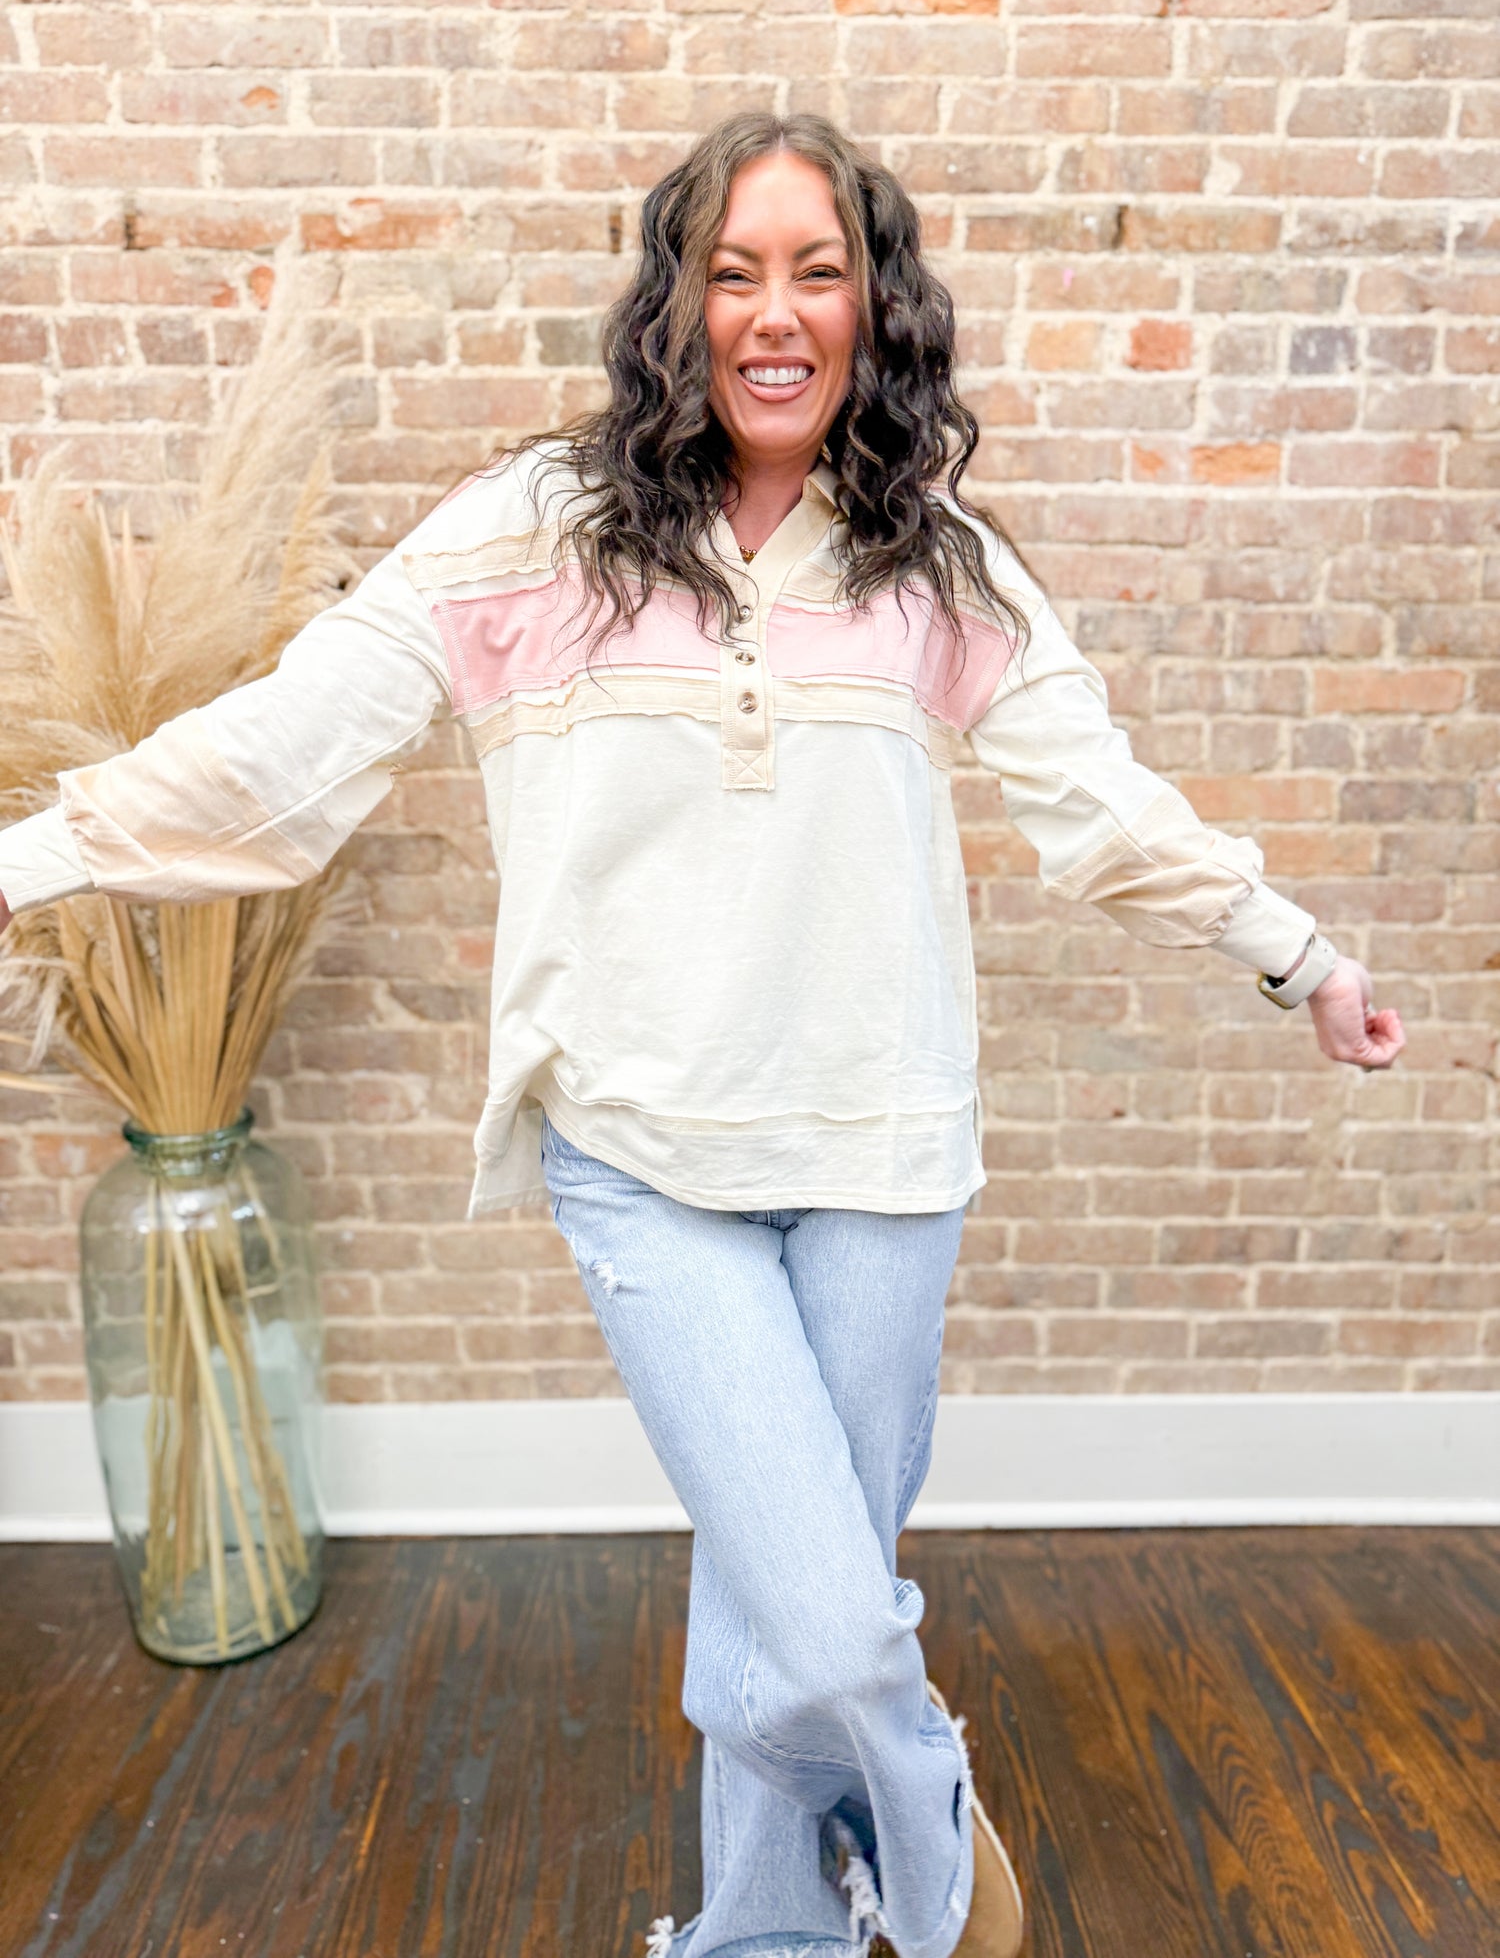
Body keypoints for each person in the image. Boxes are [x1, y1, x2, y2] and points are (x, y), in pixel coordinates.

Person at [0, 113, 1404, 1958]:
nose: (774, 312)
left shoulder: (939, 570)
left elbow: (1106, 804)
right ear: (676, 302)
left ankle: (762, 1932)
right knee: (825, 1632)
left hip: (883, 1153)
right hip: (643, 1155)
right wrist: (33, 857)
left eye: (818, 272)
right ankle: (930, 1826)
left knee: (782, 1601)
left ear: (876, 310)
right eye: (733, 272)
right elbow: (290, 741)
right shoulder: (531, 533)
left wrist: (1298, 956)